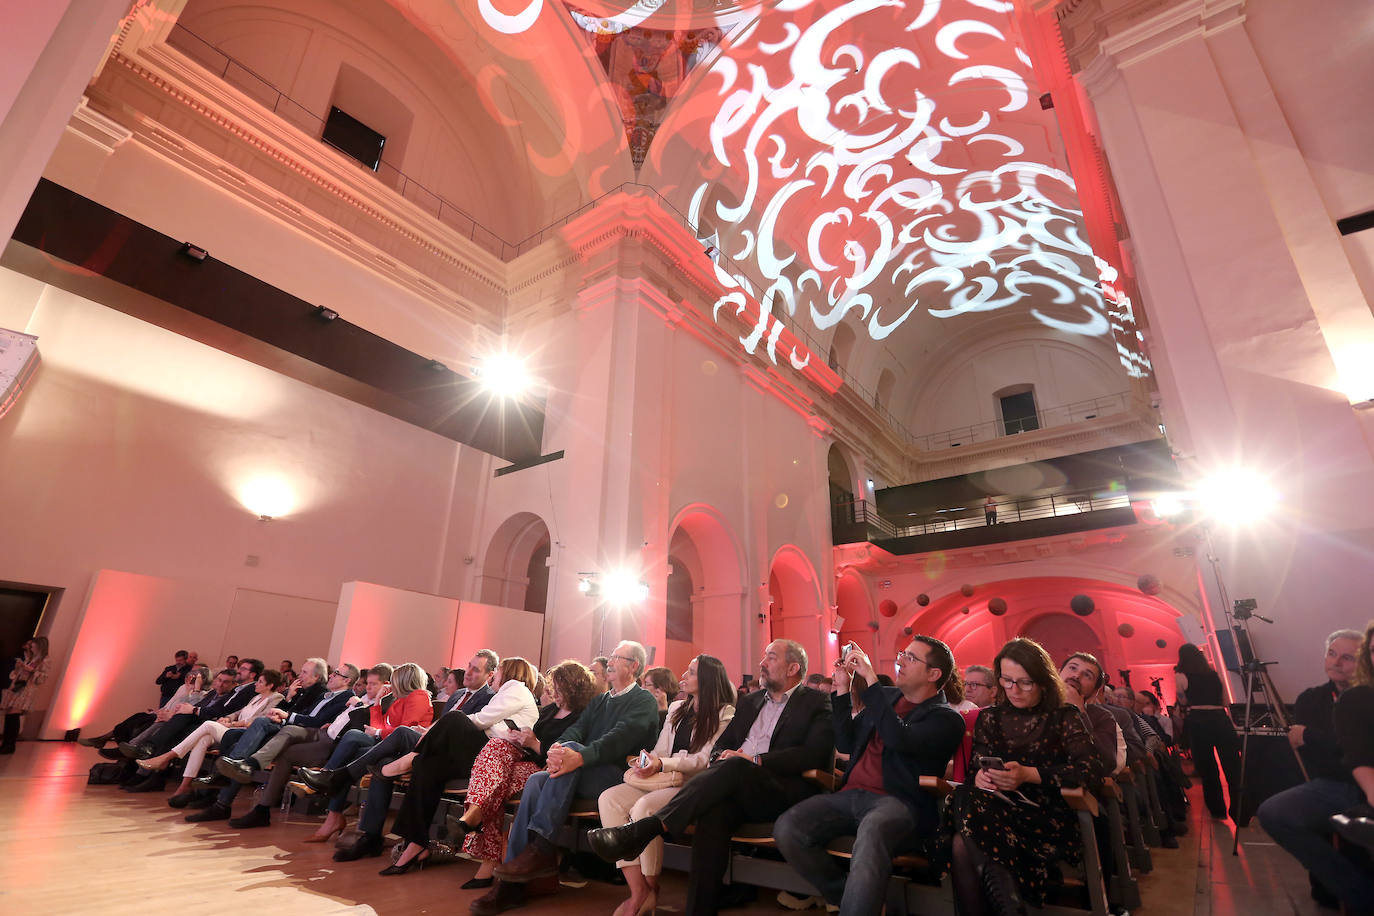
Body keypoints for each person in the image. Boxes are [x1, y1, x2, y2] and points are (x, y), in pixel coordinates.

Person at [586, 639, 835, 916]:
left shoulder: (815, 701)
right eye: (764, 656)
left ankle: (643, 830)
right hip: (736, 787)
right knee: (712, 812)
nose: (762, 663)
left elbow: (814, 754)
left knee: (735, 766)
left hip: (782, 788)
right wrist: (727, 758)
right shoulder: (751, 702)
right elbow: (718, 749)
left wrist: (753, 760)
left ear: (793, 668)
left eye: (771, 658)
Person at [775, 637, 964, 916]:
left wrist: (871, 680)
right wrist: (841, 690)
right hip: (850, 794)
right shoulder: (886, 697)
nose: (899, 660)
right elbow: (847, 744)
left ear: (933, 674)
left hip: (898, 802)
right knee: (787, 828)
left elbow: (899, 738)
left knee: (872, 832)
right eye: (902, 653)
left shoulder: (946, 718)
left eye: (911, 658)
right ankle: (852, 899)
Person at [470, 641, 659, 915]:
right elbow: (575, 731)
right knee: (536, 780)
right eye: (611, 656)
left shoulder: (643, 701)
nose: (611, 662)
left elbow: (617, 741)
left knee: (570, 754)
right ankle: (509, 887)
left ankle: (543, 849)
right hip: (580, 771)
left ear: (634, 666)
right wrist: (559, 749)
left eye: (618, 657)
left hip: (617, 776)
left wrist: (576, 755)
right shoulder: (600, 700)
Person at [950, 637, 1104, 914]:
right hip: (994, 810)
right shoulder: (990, 718)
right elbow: (976, 767)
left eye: (1025, 682)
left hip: (1045, 815)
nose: (1014, 690)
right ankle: (1011, 908)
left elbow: (1090, 770)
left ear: (1043, 681)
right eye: (1007, 681)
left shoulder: (1062, 715)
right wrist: (981, 778)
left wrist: (1030, 775)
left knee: (963, 841)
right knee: (966, 800)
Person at [599, 655, 737, 916]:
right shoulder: (676, 709)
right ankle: (640, 891)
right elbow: (661, 749)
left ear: (708, 679)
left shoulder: (724, 713)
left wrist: (662, 763)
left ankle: (648, 889)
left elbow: (704, 759)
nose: (684, 675)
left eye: (692, 671)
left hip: (692, 785)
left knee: (644, 808)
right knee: (609, 798)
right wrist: (648, 760)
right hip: (661, 776)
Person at [376, 657, 540, 875]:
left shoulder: (516, 688)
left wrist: (438, 730)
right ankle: (415, 843)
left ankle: (410, 758)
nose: (494, 675)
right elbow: (491, 723)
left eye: (498, 670)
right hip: (483, 751)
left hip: (493, 757)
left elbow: (482, 720)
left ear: (508, 672)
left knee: (454, 718)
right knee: (428, 767)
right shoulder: (507, 692)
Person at [449, 661, 598, 889]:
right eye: (552, 688)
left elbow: (565, 752)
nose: (552, 693)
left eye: (557, 688)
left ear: (572, 687)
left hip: (549, 771)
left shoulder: (583, 716)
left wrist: (535, 743)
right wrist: (521, 737)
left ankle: (475, 818)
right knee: (495, 754)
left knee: (493, 781)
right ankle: (478, 826)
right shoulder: (549, 711)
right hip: (526, 760)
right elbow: (531, 740)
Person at [1257, 629, 1372, 911]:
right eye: (1332, 654)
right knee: (1274, 813)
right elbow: (1325, 757)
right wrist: (1328, 746)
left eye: (1347, 657)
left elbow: (1333, 747)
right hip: (1336, 784)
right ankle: (1361, 894)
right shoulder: (1311, 698)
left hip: (1360, 782)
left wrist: (1312, 736)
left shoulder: (1365, 697)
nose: (1336, 662)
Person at [227, 662, 412, 830]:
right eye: (367, 683)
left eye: (373, 684)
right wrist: (334, 722)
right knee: (283, 746)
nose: (367, 687)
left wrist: (367, 704)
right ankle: (260, 806)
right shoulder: (361, 699)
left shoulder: (380, 703)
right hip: (323, 734)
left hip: (333, 746)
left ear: (386, 685)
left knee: (283, 739)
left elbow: (366, 729)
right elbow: (337, 720)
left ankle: (260, 795)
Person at [134, 669, 285, 790]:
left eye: (260, 682)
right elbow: (239, 713)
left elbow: (259, 720)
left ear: (270, 685)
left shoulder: (276, 698)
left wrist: (232, 724)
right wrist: (229, 718)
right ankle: (185, 785)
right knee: (202, 739)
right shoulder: (256, 697)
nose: (256, 684)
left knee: (206, 725)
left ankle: (165, 758)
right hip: (231, 728)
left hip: (245, 734)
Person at [1175, 643, 1241, 819]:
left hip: (1198, 720)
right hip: (1220, 718)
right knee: (1233, 766)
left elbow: (1182, 701)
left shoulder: (1181, 675)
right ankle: (1241, 811)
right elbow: (1225, 700)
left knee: (1208, 769)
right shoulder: (1214, 673)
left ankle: (1218, 811)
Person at [1059, 653, 1126, 775]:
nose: (1076, 676)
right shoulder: (1035, 705)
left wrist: (1079, 711)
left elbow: (1107, 763)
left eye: (1087, 675)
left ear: (1095, 692)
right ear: (1058, 673)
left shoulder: (1102, 717)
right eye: (1072, 668)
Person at [1, 636, 52, 753]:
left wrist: (31, 670)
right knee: (10, 715)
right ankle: (6, 744)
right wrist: (19, 668)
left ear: (39, 646)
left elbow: (42, 678)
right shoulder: (30, 658)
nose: (31, 647)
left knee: (13, 715)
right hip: (17, 688)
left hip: (27, 691)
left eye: (33, 645)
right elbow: (16, 674)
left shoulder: (45, 660)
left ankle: (9, 745)